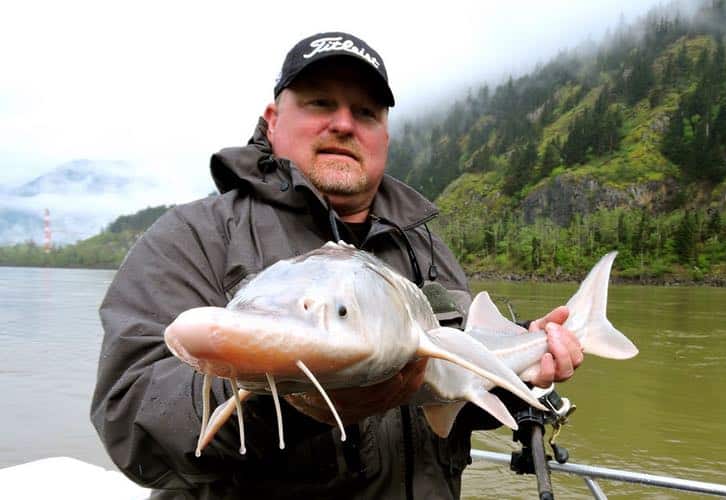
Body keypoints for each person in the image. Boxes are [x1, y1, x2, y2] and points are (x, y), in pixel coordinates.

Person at [91, 32, 583, 499]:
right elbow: (129, 422)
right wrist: (287, 396)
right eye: (320, 103)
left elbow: (447, 401)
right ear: (272, 119)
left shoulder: (424, 245)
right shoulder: (192, 237)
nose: (344, 124)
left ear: (384, 135)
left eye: (365, 112)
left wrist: (524, 370)